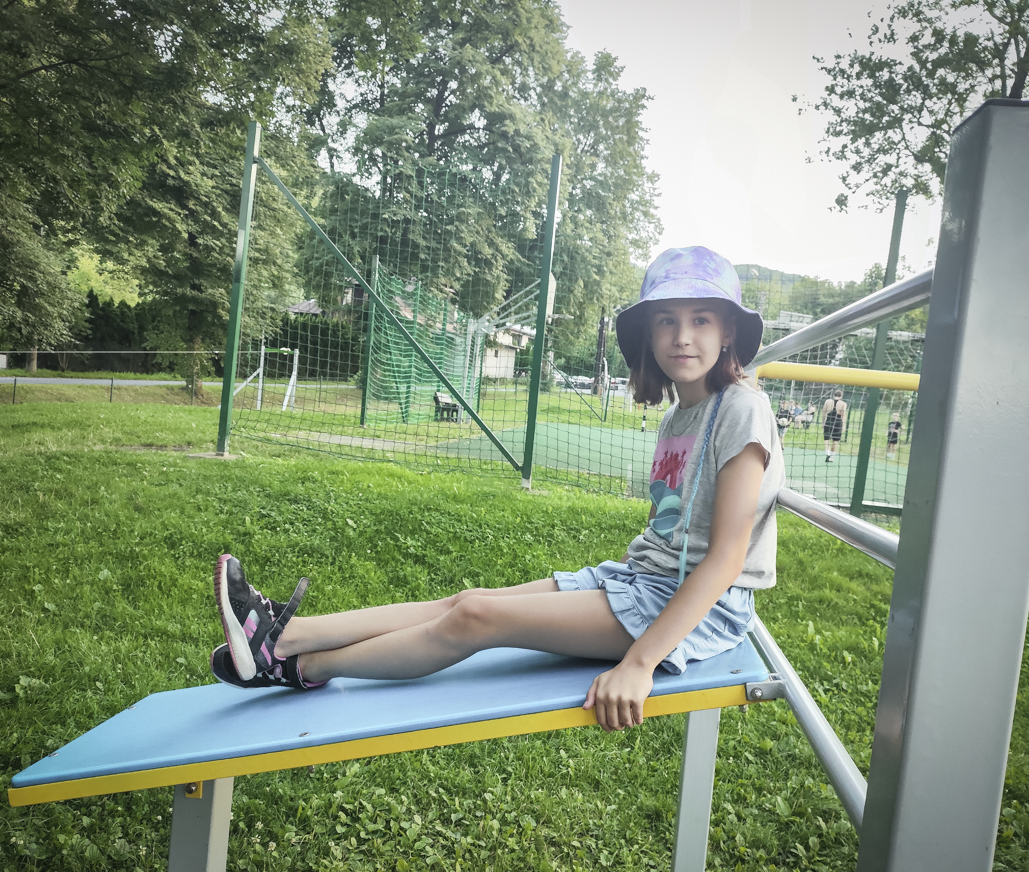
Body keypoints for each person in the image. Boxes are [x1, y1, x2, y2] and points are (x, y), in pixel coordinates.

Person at [208, 246, 785, 734]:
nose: (682, 337)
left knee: (477, 617)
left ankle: (300, 667)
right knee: (466, 599)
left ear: (728, 331)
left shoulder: (742, 409)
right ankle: (284, 635)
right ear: (649, 334)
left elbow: (726, 560)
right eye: (666, 320)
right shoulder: (680, 414)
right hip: (641, 580)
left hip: (699, 609)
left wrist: (639, 663)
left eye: (701, 319)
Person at [822, 390, 847, 461]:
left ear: (834, 395)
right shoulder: (843, 403)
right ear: (841, 396)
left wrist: (823, 422)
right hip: (838, 422)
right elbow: (843, 415)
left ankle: (827, 453)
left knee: (826, 438)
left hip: (829, 421)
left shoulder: (827, 401)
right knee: (835, 440)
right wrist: (843, 425)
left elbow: (824, 412)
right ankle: (832, 457)